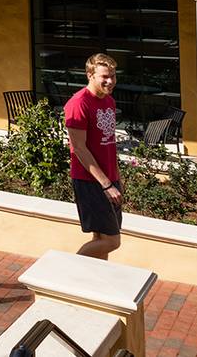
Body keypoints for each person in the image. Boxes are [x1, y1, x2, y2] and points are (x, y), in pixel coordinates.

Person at [64, 52, 124, 260]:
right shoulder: (78, 103)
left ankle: (94, 284)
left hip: (109, 178)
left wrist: (115, 178)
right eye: (104, 77)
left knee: (101, 238)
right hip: (90, 181)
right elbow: (79, 149)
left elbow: (107, 144)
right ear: (90, 75)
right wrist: (106, 184)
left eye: (113, 76)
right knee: (112, 241)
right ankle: (66, 271)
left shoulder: (109, 101)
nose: (110, 81)